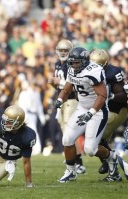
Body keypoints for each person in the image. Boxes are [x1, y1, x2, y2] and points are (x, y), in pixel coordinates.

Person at [53, 47, 121, 183]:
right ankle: (71, 171)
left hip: (98, 111)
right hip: (82, 108)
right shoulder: (72, 69)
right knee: (67, 139)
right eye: (72, 62)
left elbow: (102, 96)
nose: (74, 65)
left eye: (77, 62)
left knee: (90, 149)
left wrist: (91, 113)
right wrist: (60, 100)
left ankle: (112, 158)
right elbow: (67, 88)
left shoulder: (94, 71)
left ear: (84, 61)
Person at [48, 39, 86, 174]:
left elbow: (75, 85)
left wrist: (60, 81)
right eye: (61, 50)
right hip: (62, 100)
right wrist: (53, 83)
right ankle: (73, 158)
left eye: (65, 50)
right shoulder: (57, 64)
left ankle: (79, 162)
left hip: (72, 100)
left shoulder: (72, 64)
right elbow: (59, 86)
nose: (63, 53)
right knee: (65, 130)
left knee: (70, 131)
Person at [89, 49, 127, 175]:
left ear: (104, 64)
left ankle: (111, 163)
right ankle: (109, 163)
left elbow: (123, 95)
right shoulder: (88, 72)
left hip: (116, 110)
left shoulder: (113, 72)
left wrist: (111, 96)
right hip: (102, 110)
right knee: (96, 137)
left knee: (95, 136)